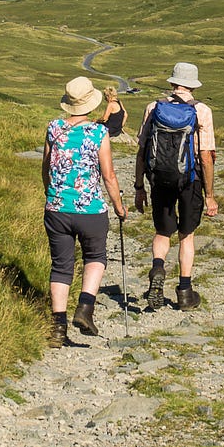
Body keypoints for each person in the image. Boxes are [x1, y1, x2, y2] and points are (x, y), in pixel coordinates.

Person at [43, 75, 128, 345]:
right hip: (90, 208)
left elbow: (46, 167)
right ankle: (85, 307)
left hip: (56, 207)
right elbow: (109, 175)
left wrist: (52, 193)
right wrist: (119, 206)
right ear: (90, 103)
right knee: (95, 256)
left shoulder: (54, 128)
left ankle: (58, 328)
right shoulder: (98, 132)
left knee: (61, 266)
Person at [133, 62, 218, 310]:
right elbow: (205, 156)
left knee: (162, 232)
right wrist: (210, 195)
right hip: (190, 180)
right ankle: (184, 291)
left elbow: (142, 150)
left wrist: (140, 187)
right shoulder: (202, 110)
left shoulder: (154, 107)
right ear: (193, 85)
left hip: (160, 179)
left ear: (172, 83)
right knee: (186, 235)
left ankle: (158, 269)